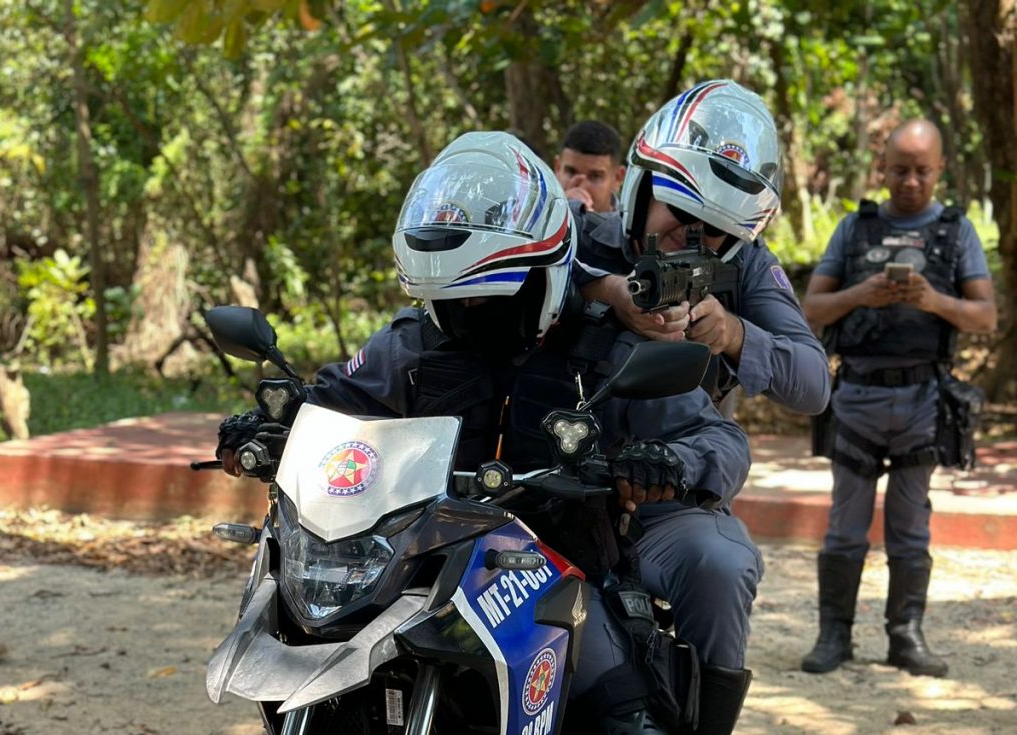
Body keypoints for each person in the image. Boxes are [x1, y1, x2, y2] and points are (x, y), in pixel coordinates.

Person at [219, 131, 760, 734]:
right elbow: (333, 403)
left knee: (627, 719)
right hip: (420, 568)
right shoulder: (415, 343)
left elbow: (720, 442)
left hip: (560, 573)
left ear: (544, 280)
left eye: (488, 299)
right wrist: (273, 428)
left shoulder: (609, 347)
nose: (468, 315)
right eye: (452, 301)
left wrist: (670, 463)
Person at [799, 119, 998, 678]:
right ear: (881, 169)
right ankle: (833, 635)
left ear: (939, 171)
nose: (911, 181)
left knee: (911, 527)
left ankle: (906, 635)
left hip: (923, 400)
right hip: (857, 395)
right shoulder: (853, 229)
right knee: (844, 526)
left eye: (923, 171)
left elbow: (986, 316)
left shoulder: (956, 233)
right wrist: (863, 293)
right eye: (900, 169)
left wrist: (935, 301)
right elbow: (810, 309)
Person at [570, 79, 830, 418]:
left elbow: (814, 386)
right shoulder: (577, 233)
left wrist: (734, 335)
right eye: (682, 210)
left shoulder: (746, 264)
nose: (692, 232)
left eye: (715, 228)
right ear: (643, 191)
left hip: (683, 460)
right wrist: (605, 291)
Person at [554, 120, 627, 214]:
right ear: (557, 168)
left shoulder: (631, 226)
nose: (582, 187)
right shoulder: (535, 218)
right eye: (571, 172)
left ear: (617, 178)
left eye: (595, 176)